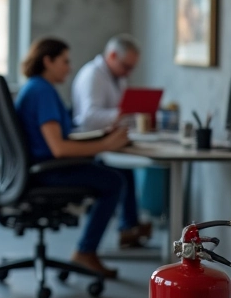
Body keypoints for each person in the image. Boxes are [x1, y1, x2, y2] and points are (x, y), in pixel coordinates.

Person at [15, 37, 130, 279]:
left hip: (40, 168)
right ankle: (85, 252)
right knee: (114, 181)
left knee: (111, 172)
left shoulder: (35, 87)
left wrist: (100, 138)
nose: (70, 68)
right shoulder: (43, 92)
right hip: (49, 171)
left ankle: (97, 244)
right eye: (65, 61)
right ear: (48, 61)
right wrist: (105, 144)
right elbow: (58, 148)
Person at [71, 34, 152, 248]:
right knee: (116, 179)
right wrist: (122, 114)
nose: (128, 73)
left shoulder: (117, 77)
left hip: (108, 140)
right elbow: (88, 117)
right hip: (90, 144)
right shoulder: (92, 75)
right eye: (126, 66)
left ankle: (129, 227)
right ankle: (88, 247)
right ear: (113, 56)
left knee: (126, 172)